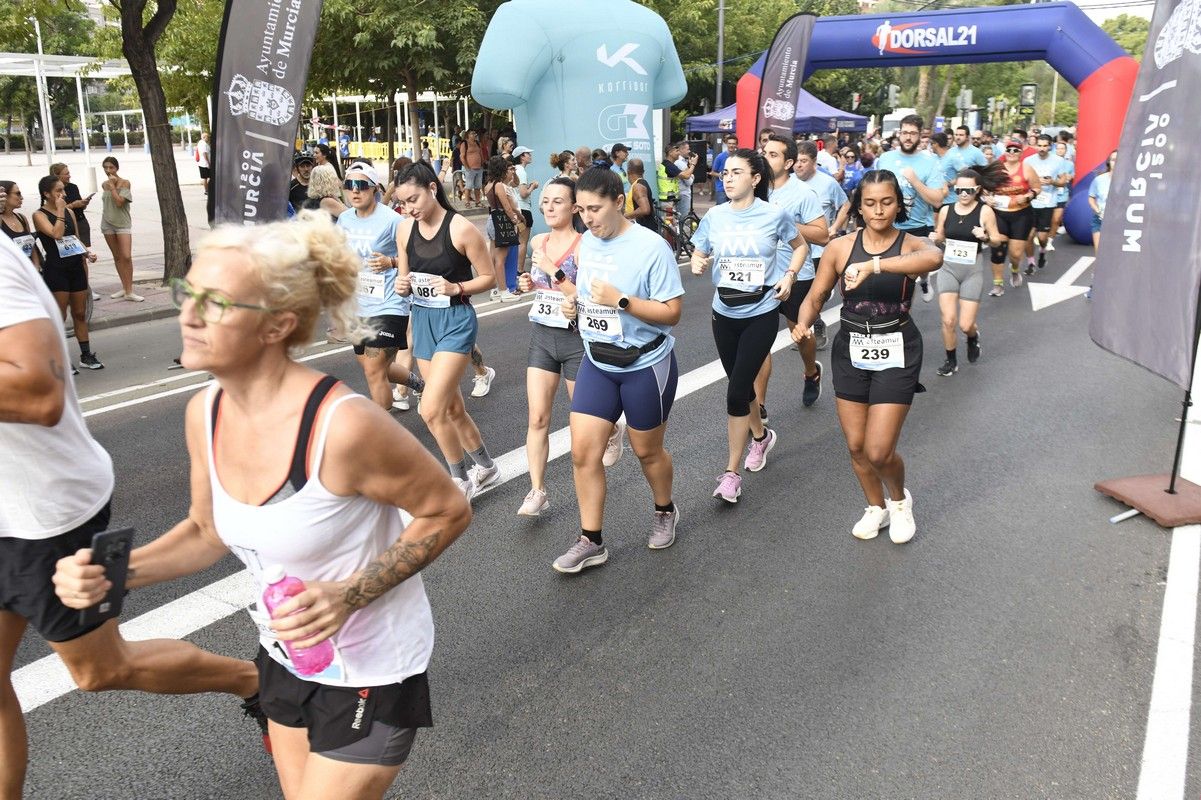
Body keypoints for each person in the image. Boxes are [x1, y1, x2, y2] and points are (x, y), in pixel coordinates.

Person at [54, 213, 471, 800]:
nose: (188, 315)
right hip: (285, 655)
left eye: (215, 303)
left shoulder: (344, 427)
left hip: (374, 669)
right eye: (187, 292)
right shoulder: (205, 412)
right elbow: (205, 531)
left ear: (278, 325)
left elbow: (447, 510)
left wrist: (349, 594)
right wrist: (113, 572)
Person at [0, 225, 265, 800]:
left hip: (41, 513)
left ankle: (257, 681)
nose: (188, 317)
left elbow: (38, 394)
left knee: (100, 670)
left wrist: (122, 572)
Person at [792, 170, 943, 544]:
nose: (878, 210)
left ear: (898, 204)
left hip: (897, 348)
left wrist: (875, 265)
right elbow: (816, 295)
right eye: (870, 203)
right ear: (859, 206)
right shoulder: (840, 248)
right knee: (857, 446)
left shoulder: (910, 244)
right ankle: (876, 506)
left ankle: (899, 501)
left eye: (887, 202)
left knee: (879, 450)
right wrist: (803, 323)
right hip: (851, 349)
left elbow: (935, 257)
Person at [552, 167, 684, 573]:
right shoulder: (587, 243)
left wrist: (622, 301)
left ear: (619, 202)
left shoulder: (651, 247)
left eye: (595, 209)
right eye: (581, 210)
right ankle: (591, 540)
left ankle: (665, 509)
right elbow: (586, 294)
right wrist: (574, 306)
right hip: (598, 361)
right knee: (582, 453)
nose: (587, 218)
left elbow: (672, 313)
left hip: (645, 364)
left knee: (647, 452)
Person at [690, 149, 808, 505]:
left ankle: (731, 474)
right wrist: (697, 260)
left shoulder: (774, 215)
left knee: (736, 391)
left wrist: (789, 276)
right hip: (723, 312)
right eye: (725, 172)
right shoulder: (715, 216)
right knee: (740, 387)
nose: (727, 178)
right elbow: (699, 249)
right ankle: (761, 437)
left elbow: (800, 247)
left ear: (755, 179)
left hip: (761, 312)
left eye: (736, 172)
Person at [393, 162, 500, 498]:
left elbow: (489, 278)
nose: (409, 208)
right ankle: (487, 467)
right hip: (423, 321)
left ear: (432, 189)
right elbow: (405, 279)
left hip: (456, 321)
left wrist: (457, 288)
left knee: (430, 409)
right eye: (403, 203)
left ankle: (459, 479)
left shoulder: (461, 229)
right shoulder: (404, 230)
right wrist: (401, 285)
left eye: (413, 200)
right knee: (452, 409)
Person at [515, 177, 587, 516]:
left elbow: (584, 296)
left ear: (574, 207)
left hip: (576, 340)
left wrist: (552, 270)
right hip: (543, 336)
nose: (549, 207)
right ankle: (537, 490)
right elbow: (538, 283)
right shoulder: (539, 241)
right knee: (537, 416)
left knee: (583, 419)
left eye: (558, 201)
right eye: (545, 201)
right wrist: (528, 282)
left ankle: (609, 431)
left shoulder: (584, 246)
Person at [336, 162, 424, 414]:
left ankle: (377, 428)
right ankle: (421, 385)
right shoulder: (344, 219)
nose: (355, 190)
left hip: (389, 304)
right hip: (358, 305)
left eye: (361, 185)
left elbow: (418, 254)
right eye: (350, 185)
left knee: (374, 371)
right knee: (375, 368)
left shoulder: (393, 220)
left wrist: (391, 262)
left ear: (375, 188)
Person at [754, 137, 827, 421]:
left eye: (773, 154)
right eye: (764, 152)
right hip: (760, 277)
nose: (765, 157)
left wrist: (784, 223)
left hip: (797, 276)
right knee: (760, 342)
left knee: (801, 334)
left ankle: (811, 372)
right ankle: (760, 406)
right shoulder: (754, 188)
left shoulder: (802, 193)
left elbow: (822, 235)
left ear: (788, 163)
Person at [932, 164, 1006, 376]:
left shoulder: (984, 211)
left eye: (969, 190)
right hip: (948, 269)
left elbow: (997, 240)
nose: (964, 194)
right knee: (948, 320)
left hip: (972, 271)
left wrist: (985, 237)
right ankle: (951, 361)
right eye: (959, 190)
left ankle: (973, 337)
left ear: (978, 190)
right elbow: (940, 237)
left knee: (965, 325)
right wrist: (936, 238)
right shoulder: (946, 210)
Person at [32, 175, 102, 371]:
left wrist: (86, 253)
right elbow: (56, 234)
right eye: (58, 191)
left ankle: (86, 354)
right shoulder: (39, 215)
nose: (63, 194)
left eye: (63, 190)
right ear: (46, 194)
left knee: (79, 313)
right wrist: (61, 210)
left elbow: (75, 238)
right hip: (57, 269)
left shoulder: (70, 212)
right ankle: (60, 357)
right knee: (60, 315)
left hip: (75, 266)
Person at [876, 115, 946, 303]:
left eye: (913, 133)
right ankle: (897, 311)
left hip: (918, 226)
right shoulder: (885, 158)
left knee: (917, 270)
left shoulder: (930, 162)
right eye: (905, 132)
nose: (908, 137)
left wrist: (915, 181)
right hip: (888, 225)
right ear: (899, 133)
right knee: (894, 276)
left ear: (920, 135)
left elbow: (937, 201)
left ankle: (924, 280)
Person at [985, 137, 1041, 296]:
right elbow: (984, 188)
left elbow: (1037, 188)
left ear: (1020, 153)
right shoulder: (996, 168)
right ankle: (997, 284)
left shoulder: (1027, 168)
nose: (1011, 152)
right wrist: (986, 198)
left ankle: (1015, 269)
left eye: (1015, 150)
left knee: (1015, 254)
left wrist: (1028, 196)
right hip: (998, 214)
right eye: (1008, 149)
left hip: (1021, 215)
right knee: (998, 250)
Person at [97, 156, 142, 302]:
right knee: (117, 256)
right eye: (105, 167)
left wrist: (113, 188)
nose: (108, 170)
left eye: (111, 167)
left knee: (126, 256)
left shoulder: (125, 183)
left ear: (117, 168)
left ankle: (130, 290)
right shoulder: (104, 185)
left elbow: (119, 203)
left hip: (122, 223)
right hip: (107, 223)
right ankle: (124, 288)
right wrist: (109, 186)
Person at [1024, 134, 1069, 273]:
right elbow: (1023, 180)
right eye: (1039, 146)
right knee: (1028, 236)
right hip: (1031, 202)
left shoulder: (1058, 161)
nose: (1042, 149)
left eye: (1045, 146)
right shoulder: (1028, 161)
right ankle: (1031, 263)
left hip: (1048, 203)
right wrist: (1033, 182)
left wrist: (1052, 182)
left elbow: (1063, 181)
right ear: (1036, 145)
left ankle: (1042, 251)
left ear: (1050, 146)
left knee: (1042, 238)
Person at [483, 156, 524, 302]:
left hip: (491, 220)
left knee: (494, 257)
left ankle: (495, 289)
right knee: (501, 259)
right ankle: (504, 291)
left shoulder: (488, 185)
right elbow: (506, 206)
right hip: (501, 222)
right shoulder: (499, 185)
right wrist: (515, 220)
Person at [512, 146, 540, 271]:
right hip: (523, 210)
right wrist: (533, 186)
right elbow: (523, 193)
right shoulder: (521, 171)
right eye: (528, 154)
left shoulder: (514, 170)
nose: (530, 156)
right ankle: (520, 269)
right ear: (522, 156)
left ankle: (514, 269)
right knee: (522, 241)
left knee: (517, 240)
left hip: (515, 209)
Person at [0, 181, 38, 267]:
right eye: (18, 194)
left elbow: (32, 245)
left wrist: (36, 266)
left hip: (28, 269)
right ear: (4, 196)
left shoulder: (21, 218)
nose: (22, 198)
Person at [1089, 150, 1116, 256]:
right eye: (1113, 160)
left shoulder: (1130, 180)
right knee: (1100, 253)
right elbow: (1091, 198)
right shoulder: (1099, 180)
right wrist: (1098, 210)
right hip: (1100, 219)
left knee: (1114, 254)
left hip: (1119, 221)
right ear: (1109, 162)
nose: (1116, 162)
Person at [1050, 140, 1075, 250]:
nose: (1060, 150)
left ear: (1066, 150)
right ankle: (1043, 235)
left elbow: (1071, 176)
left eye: (1062, 148)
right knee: (1047, 218)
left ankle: (1050, 240)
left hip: (1062, 193)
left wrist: (1068, 177)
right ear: (1055, 150)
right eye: (1058, 148)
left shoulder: (1069, 164)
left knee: (1056, 219)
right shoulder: (1050, 162)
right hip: (1050, 193)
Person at [625, 158, 657, 231]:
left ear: (628, 171)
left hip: (644, 229)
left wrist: (625, 216)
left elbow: (645, 209)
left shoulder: (638, 187)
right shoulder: (640, 184)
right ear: (643, 172)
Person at [458, 130, 485, 208]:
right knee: (468, 186)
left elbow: (481, 154)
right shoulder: (464, 143)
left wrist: (482, 163)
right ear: (468, 135)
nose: (475, 135)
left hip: (479, 168)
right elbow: (462, 156)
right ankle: (467, 202)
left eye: (475, 133)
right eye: (472, 133)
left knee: (478, 186)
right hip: (470, 169)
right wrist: (467, 167)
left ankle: (477, 201)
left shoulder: (477, 143)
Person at [674, 141, 697, 221]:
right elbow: (689, 181)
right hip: (683, 194)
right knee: (683, 219)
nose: (689, 151)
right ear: (681, 149)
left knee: (680, 218)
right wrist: (692, 175)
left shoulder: (682, 162)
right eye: (688, 149)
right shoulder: (680, 163)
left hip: (681, 193)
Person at [712, 134, 738, 204]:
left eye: (733, 144)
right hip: (722, 189)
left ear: (736, 145)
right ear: (726, 144)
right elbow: (713, 172)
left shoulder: (739, 157)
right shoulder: (720, 157)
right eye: (729, 143)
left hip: (735, 188)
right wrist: (721, 175)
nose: (731, 145)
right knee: (721, 209)